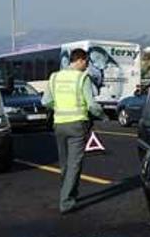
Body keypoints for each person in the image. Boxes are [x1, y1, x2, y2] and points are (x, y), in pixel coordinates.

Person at [41, 48, 106, 214]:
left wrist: (58, 108)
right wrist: (102, 115)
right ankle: (66, 201)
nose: (87, 66)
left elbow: (45, 101)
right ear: (81, 60)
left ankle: (69, 193)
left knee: (65, 164)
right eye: (86, 62)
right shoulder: (82, 78)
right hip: (77, 125)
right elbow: (91, 104)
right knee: (74, 165)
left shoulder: (54, 77)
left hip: (59, 124)